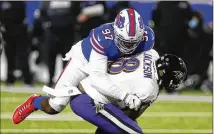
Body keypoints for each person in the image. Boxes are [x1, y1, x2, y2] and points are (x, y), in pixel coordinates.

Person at [12, 8, 155, 124]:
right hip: (84, 62)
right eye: (124, 41)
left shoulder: (147, 39)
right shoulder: (102, 37)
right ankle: (34, 102)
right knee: (55, 106)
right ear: (116, 32)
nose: (128, 47)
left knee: (121, 104)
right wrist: (125, 95)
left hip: (113, 65)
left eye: (132, 43)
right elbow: (98, 79)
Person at [70, 51, 187, 134]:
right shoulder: (150, 88)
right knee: (133, 131)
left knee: (119, 125)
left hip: (86, 82)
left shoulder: (151, 53)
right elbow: (131, 115)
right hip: (89, 99)